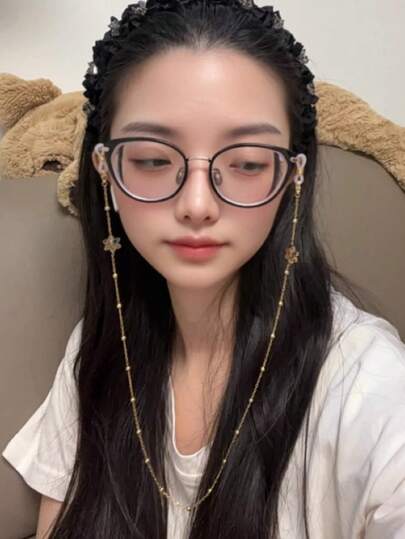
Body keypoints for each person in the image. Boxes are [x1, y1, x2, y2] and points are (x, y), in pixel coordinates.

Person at [2, 0, 405, 537]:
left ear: (292, 178)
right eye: (152, 159)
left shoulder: (369, 390)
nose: (197, 204)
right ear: (104, 171)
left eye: (247, 163)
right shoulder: (101, 348)